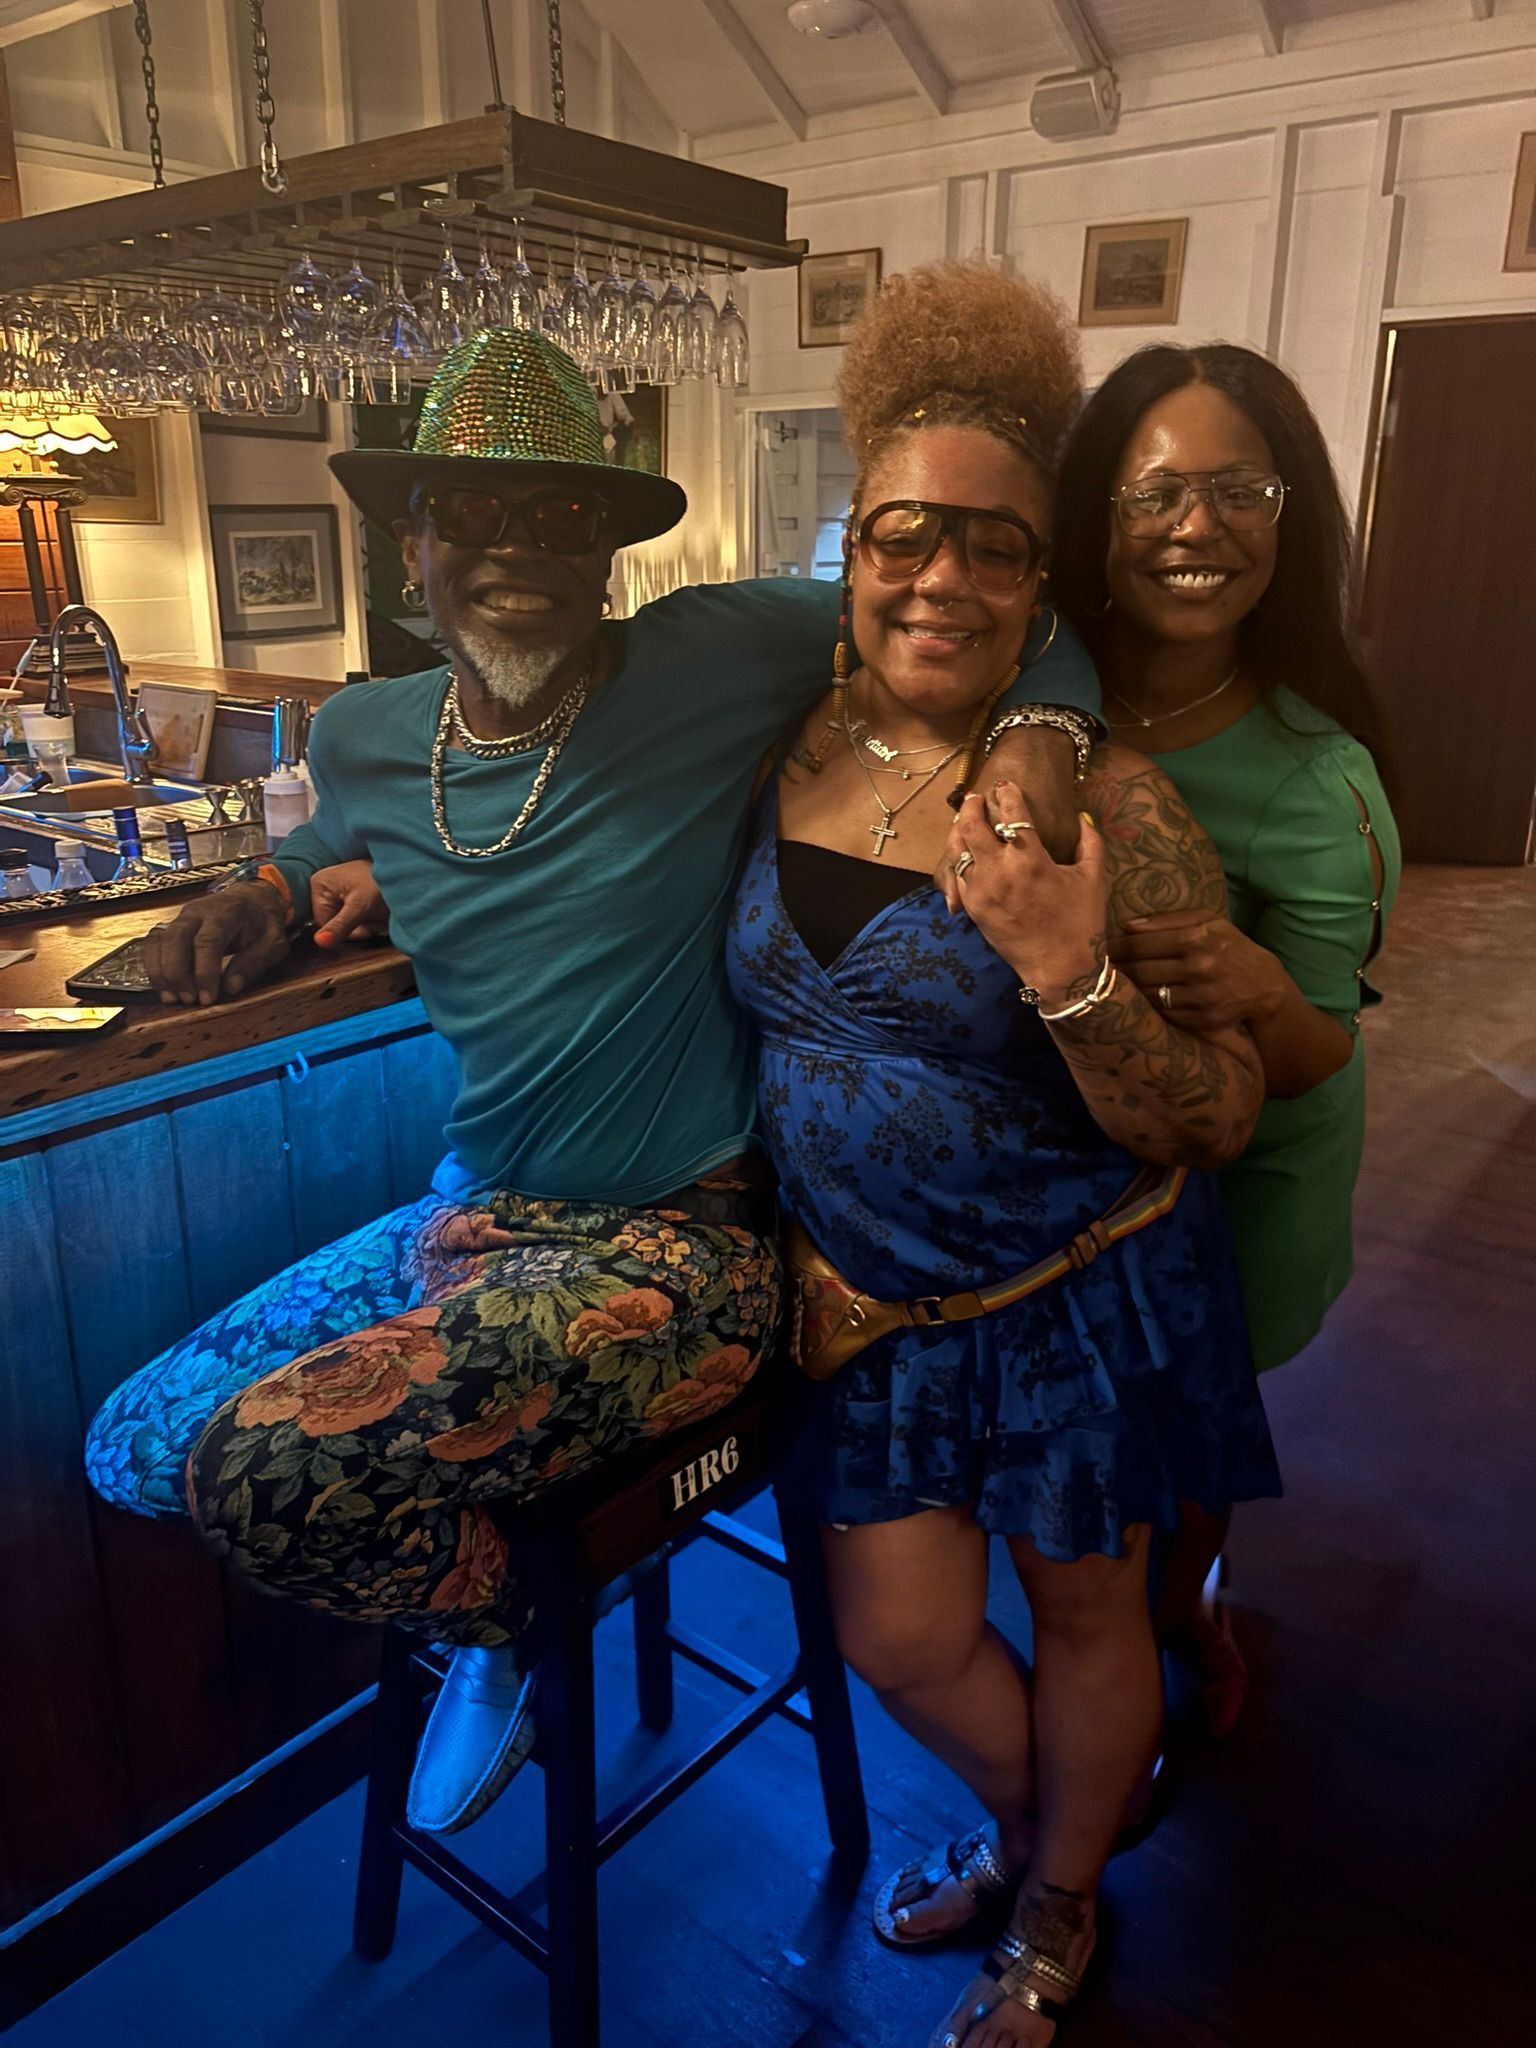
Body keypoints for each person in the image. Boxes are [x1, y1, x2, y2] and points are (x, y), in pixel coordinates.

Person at [82, 327, 1101, 1841]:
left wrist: (1034, 735)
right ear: (411, 539)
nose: (515, 553)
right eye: (471, 514)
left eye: (557, 517)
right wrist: (276, 893)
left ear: (609, 550)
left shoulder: (711, 654)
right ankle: (507, 1613)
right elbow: (327, 836)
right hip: (477, 1214)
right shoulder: (361, 732)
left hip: (686, 1249)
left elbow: (987, 604)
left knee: (259, 1474)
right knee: (135, 1445)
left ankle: (504, 1619)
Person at [725, 263, 1281, 2048]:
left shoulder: (1101, 799)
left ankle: (1053, 1901)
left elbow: (1222, 1107)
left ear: (1042, 581)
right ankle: (1068, 1816)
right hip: (872, 1312)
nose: (942, 576)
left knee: (1090, 1614)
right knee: (897, 1635)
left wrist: (1071, 968)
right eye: (906, 533)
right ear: (854, 539)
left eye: (995, 545)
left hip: (1073, 1303)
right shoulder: (790, 741)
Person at [1051, 344, 1400, 1734]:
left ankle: (1186, 1602)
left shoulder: (1318, 773)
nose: (1198, 527)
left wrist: (1254, 985)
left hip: (1243, 1179)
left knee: (1189, 1432)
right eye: (1157, 494)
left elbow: (1325, 1046)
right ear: (1097, 518)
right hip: (1073, 1157)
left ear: (1290, 516)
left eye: (1241, 489)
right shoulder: (1040, 691)